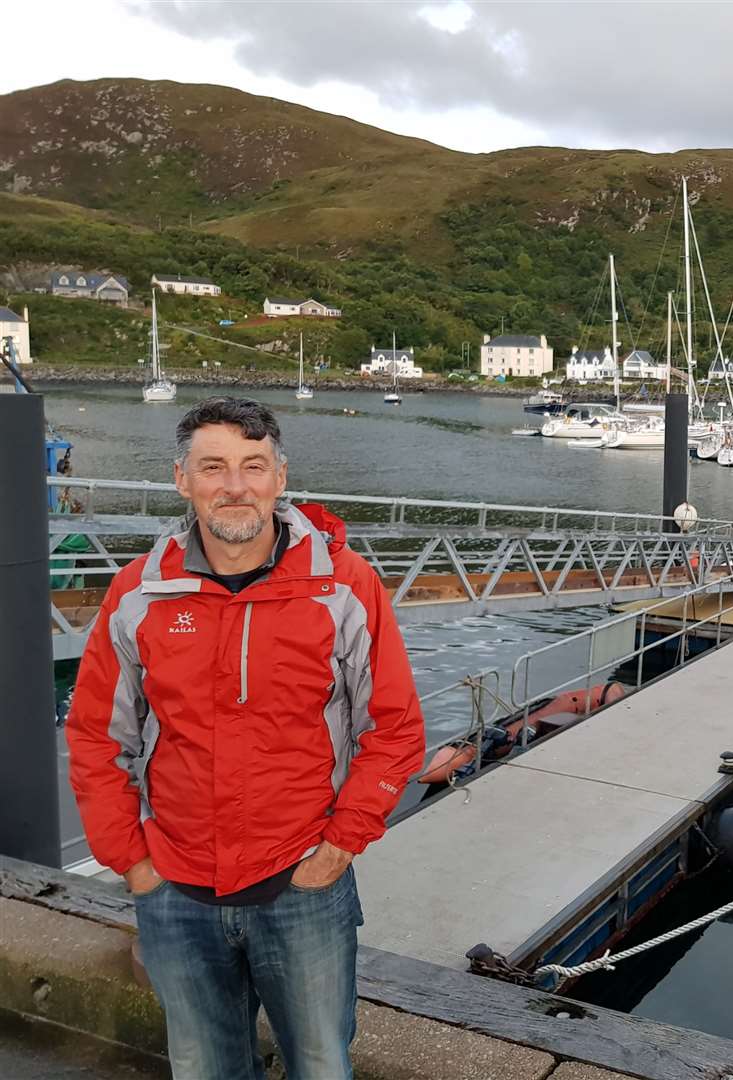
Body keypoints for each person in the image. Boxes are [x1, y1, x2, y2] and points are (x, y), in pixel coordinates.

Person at [66, 397, 426, 1080]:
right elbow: (95, 736)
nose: (235, 486)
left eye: (253, 466)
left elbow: (395, 727)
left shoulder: (343, 588)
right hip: (175, 885)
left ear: (280, 478)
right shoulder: (139, 595)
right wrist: (131, 860)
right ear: (182, 480)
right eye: (213, 467)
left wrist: (342, 843)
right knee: (202, 1067)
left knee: (320, 1064)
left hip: (303, 882)